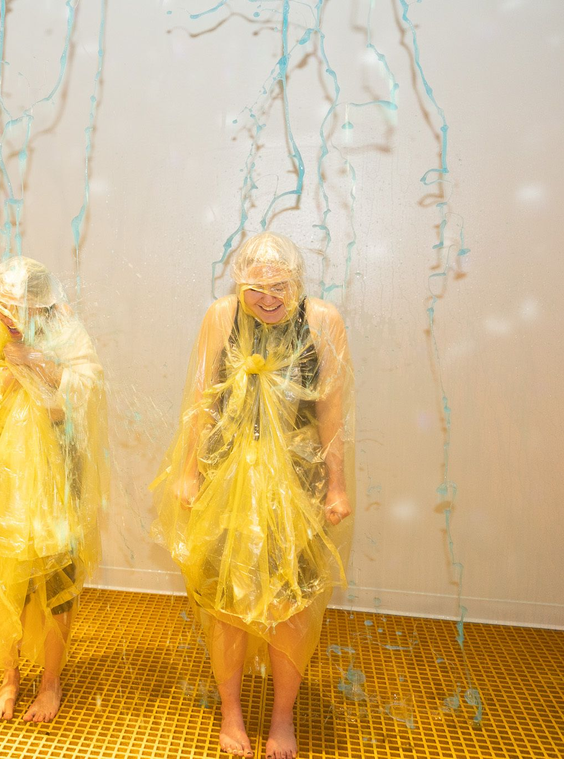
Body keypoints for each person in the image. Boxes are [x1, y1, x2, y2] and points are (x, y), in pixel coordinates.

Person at [152, 231, 354, 758]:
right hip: (228, 478)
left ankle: (282, 718)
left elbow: (332, 408)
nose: (267, 299)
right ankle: (232, 712)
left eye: (279, 288)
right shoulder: (221, 316)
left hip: (297, 479)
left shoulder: (323, 322)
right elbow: (201, 396)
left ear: (298, 282)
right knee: (226, 604)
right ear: (237, 283)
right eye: (255, 288)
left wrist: (337, 483)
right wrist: (189, 470)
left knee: (291, 606)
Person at [0, 257, 108, 723]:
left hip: (60, 474)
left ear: (41, 305)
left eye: (17, 307)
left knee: (56, 582)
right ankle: (10, 678)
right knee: (6, 577)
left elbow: (88, 395)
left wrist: (41, 365)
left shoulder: (66, 328)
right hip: (0, 476)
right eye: (2, 305)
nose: (7, 315)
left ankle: (50, 682)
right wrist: (6, 369)